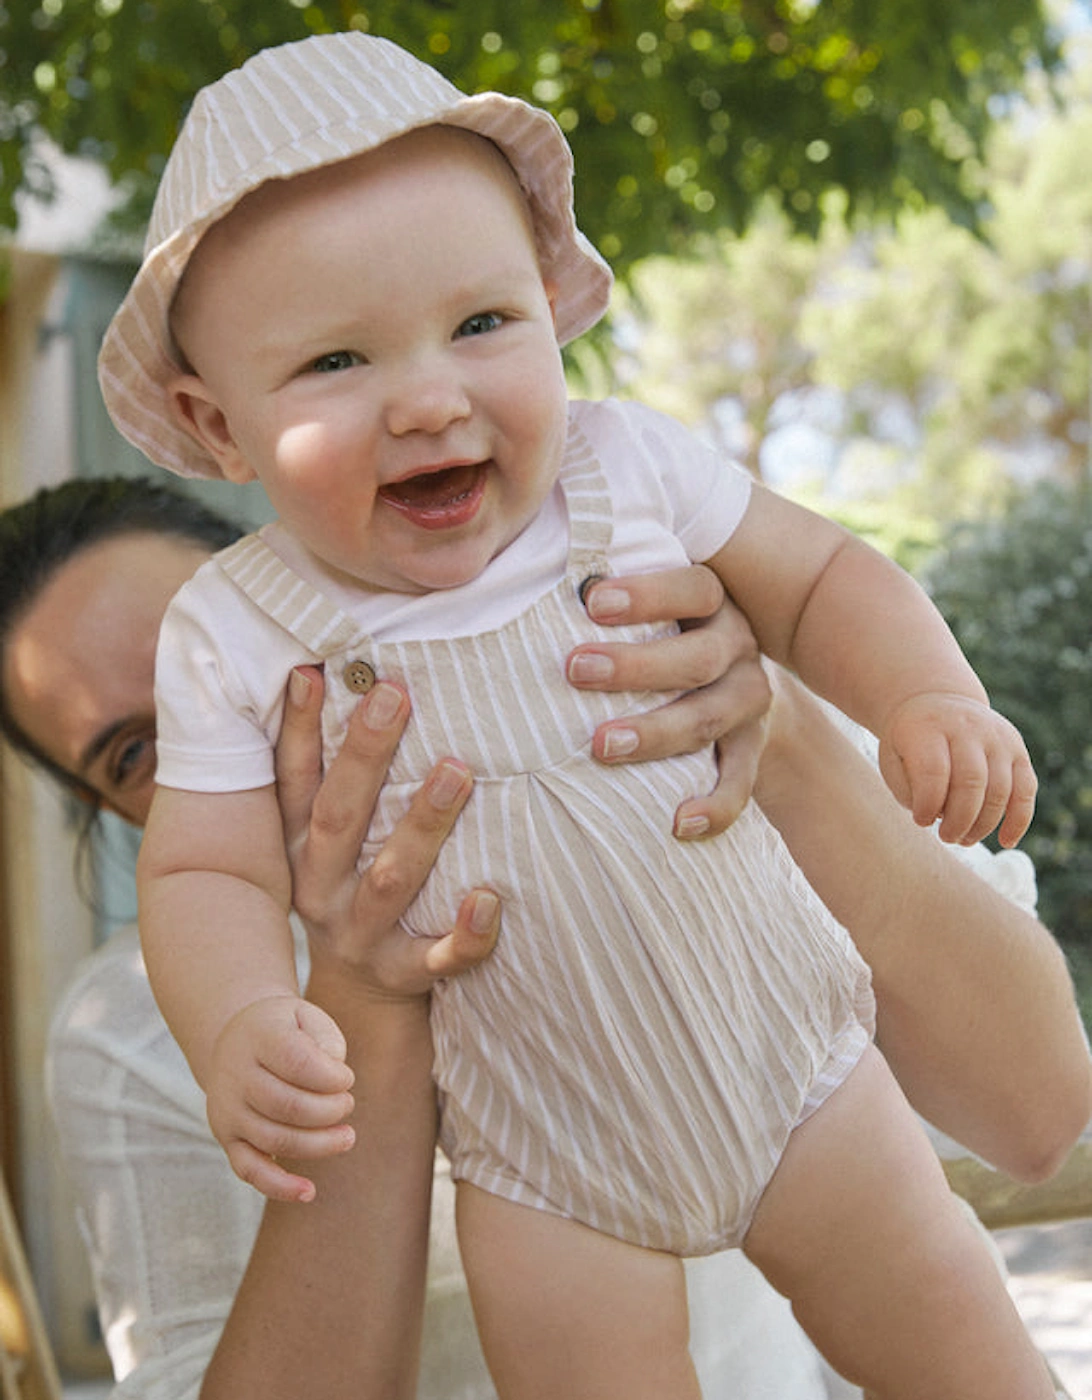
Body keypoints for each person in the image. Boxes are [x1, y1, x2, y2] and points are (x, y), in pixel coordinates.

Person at [95, 33, 1068, 1399]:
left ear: (553, 307)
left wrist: (923, 695)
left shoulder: (625, 468)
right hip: (545, 1162)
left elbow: (828, 578)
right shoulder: (237, 626)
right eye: (334, 361)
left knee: (957, 1334)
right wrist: (244, 1014)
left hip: (791, 1059)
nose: (428, 397)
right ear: (216, 425)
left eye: (480, 323)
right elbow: (205, 868)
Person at [0, 482, 1087, 1400]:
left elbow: (1035, 1113)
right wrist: (362, 1006)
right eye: (143, 749)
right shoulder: (135, 1032)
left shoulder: (663, 726)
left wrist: (780, 729)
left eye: (220, 668)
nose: (220, 735)